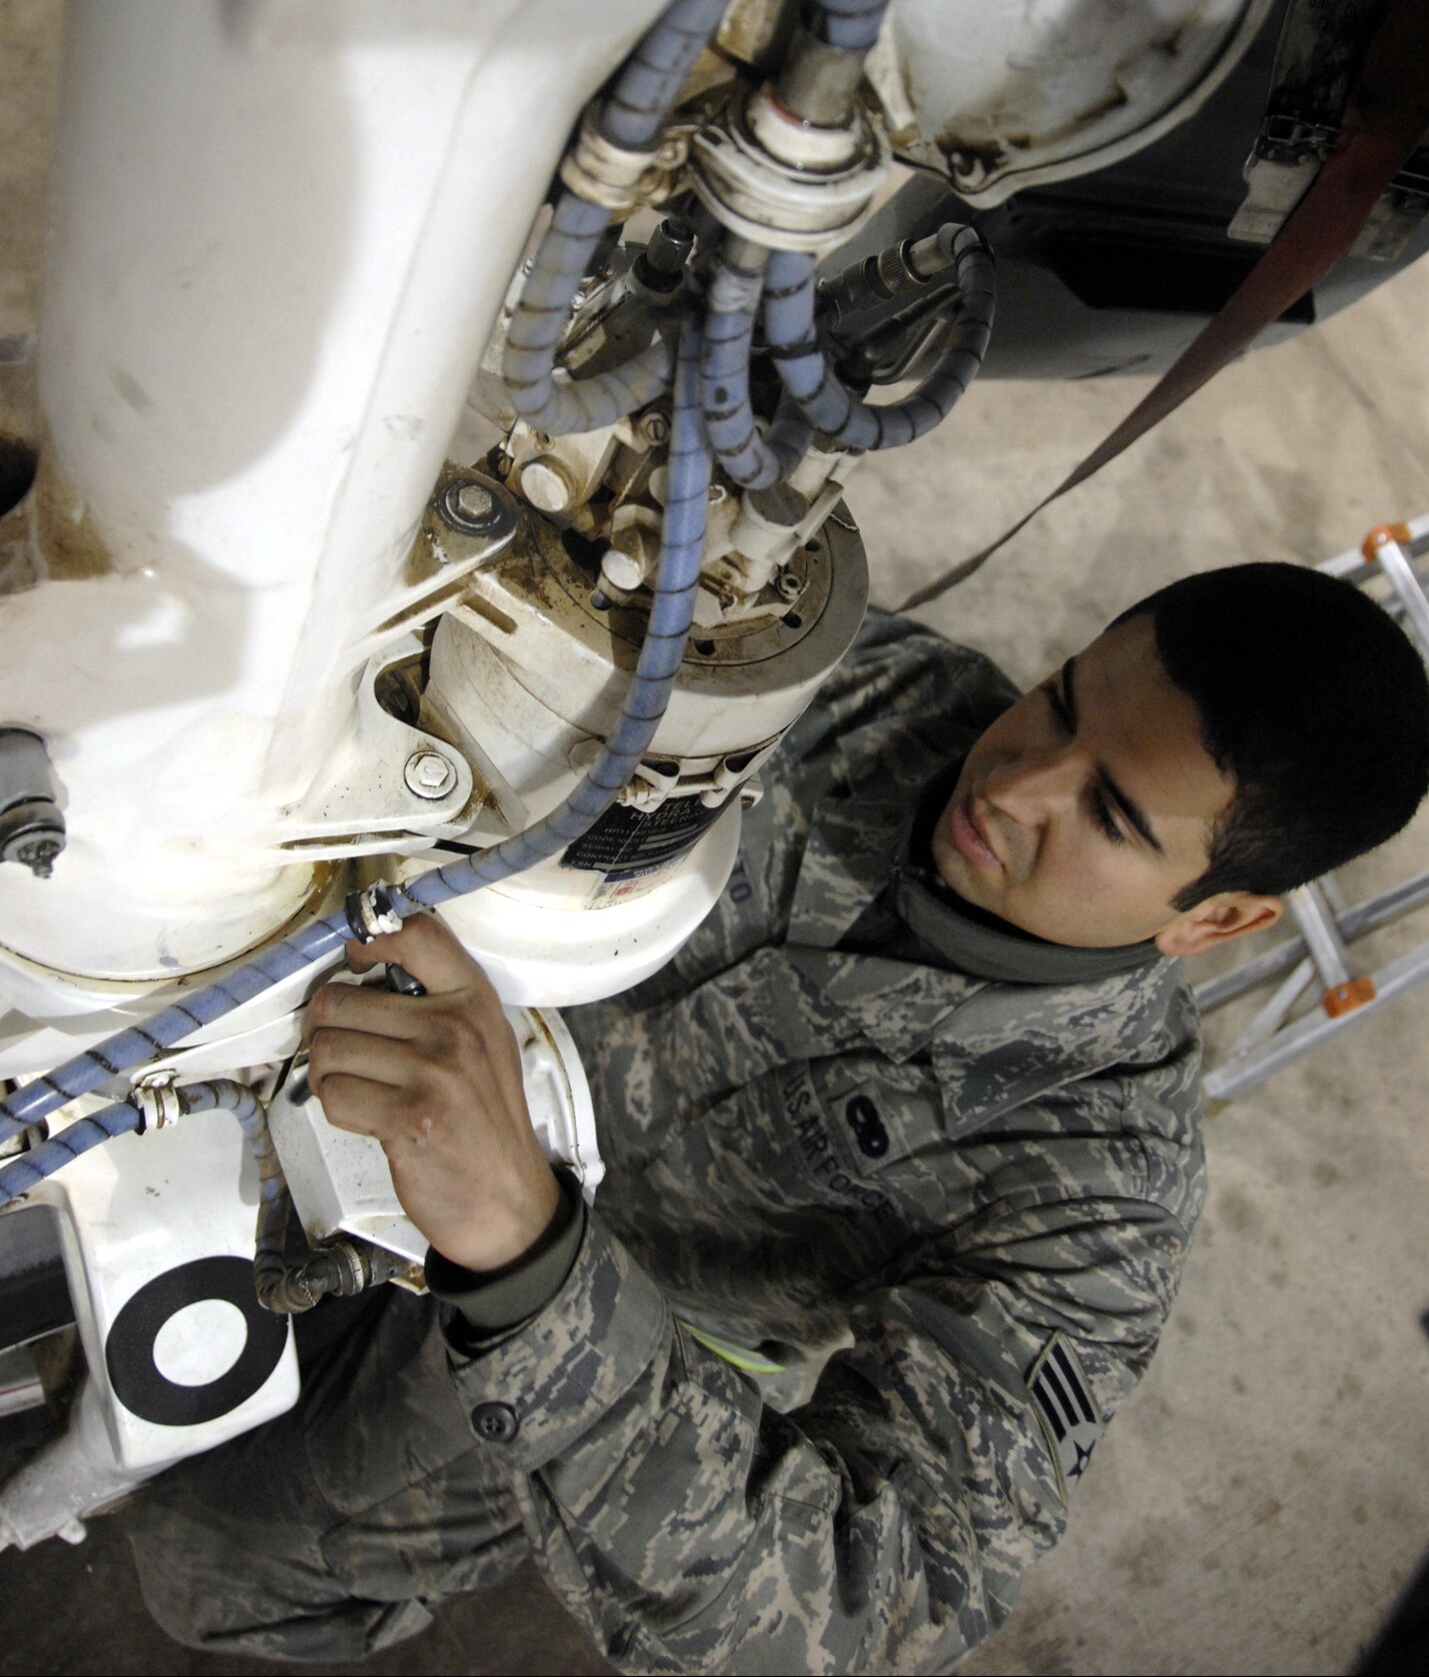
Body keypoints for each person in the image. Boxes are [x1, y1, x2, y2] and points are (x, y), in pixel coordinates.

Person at [128, 563, 1429, 1671]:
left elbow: (876, 1610)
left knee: (203, 1562)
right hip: (392, 1039)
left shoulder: (1099, 1182)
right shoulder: (864, 689)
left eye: (1105, 815)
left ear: (1214, 921)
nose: (1013, 784)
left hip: (595, 1323)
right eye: (1058, 704)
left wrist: (528, 1260)